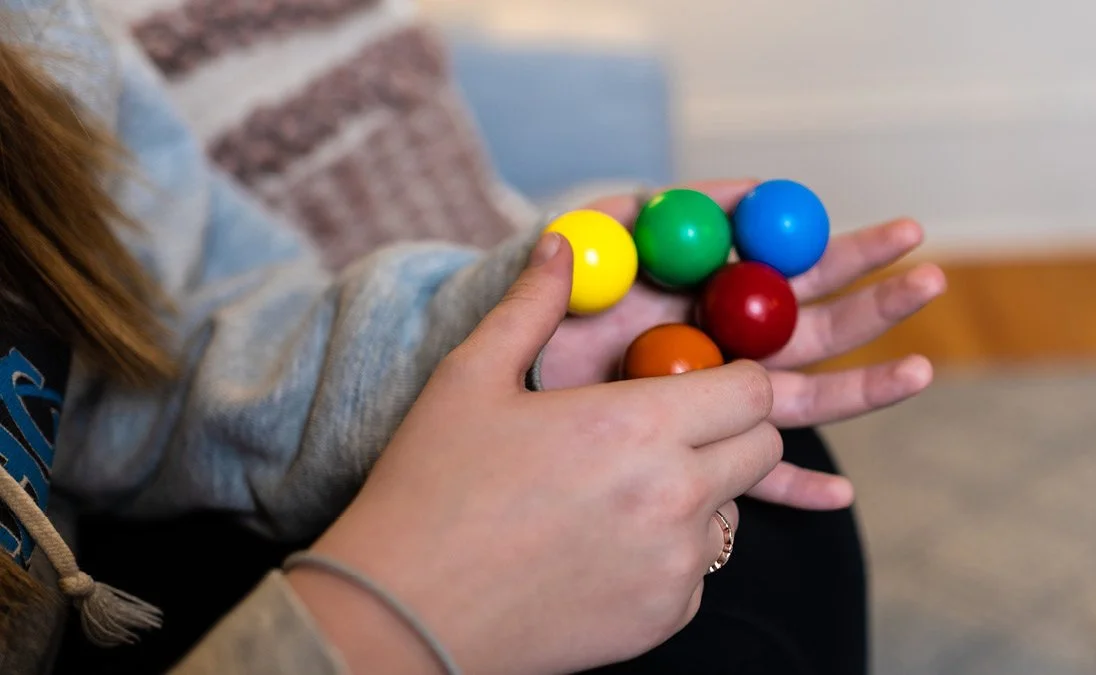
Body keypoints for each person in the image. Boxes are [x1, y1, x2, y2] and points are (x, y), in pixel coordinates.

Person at [0, 1, 947, 673]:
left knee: (723, 454)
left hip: (88, 559)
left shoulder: (31, 36)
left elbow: (166, 337)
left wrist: (483, 333)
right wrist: (396, 610)